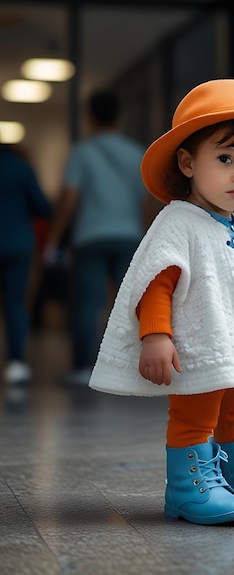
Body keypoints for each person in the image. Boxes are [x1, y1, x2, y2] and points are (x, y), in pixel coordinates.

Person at [89, 79, 234, 525]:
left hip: (229, 345)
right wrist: (156, 335)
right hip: (195, 346)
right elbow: (155, 283)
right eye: (226, 159)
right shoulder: (178, 222)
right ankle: (188, 487)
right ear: (188, 163)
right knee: (195, 414)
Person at [44, 91, 151, 385]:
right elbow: (145, 202)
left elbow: (69, 199)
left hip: (90, 238)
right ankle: (145, 366)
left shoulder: (82, 152)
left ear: (90, 118)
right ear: (119, 117)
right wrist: (149, 239)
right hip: (129, 236)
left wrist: (53, 240)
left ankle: (82, 368)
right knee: (135, 303)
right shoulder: (136, 153)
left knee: (88, 303)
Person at [0, 144, 51, 384]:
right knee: (15, 304)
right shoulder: (22, 169)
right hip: (17, 243)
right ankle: (16, 362)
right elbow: (41, 206)